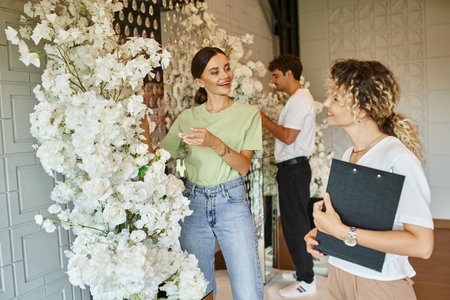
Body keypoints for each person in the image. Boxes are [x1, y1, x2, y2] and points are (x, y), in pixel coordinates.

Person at [305, 59, 434, 300]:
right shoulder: (348, 154)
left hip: (380, 285)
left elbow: (422, 245)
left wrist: (343, 232)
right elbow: (357, 220)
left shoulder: (398, 159)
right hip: (339, 274)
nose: (326, 103)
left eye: (335, 98)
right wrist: (321, 232)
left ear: (361, 110)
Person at [158, 47, 264, 299]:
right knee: (197, 286)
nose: (224, 75)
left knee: (247, 287)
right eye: (215, 72)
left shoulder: (249, 114)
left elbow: (243, 166)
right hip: (193, 201)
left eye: (226, 68)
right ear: (199, 81)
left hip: (232, 201)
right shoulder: (188, 117)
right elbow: (161, 156)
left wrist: (214, 142)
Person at [260, 54, 316, 297]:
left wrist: (264, 120)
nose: (273, 81)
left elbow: (287, 137)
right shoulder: (296, 99)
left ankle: (307, 279)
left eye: (275, 75)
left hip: (294, 169)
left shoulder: (300, 100)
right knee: (294, 223)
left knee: (296, 226)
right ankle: (301, 270)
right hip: (291, 169)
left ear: (289, 73)